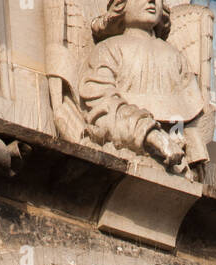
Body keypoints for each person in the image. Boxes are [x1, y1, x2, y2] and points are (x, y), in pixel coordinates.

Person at [79, 0, 208, 177]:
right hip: (124, 153)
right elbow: (102, 106)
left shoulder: (176, 57)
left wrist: (195, 156)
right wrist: (151, 135)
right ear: (120, 5)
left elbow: (191, 113)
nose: (152, 1)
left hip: (178, 165)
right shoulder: (108, 49)